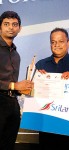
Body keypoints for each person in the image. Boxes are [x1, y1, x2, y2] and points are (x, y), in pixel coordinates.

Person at [0, 11, 34, 150]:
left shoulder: (16, 55)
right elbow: (12, 84)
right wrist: (14, 85)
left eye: (15, 24)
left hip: (13, 104)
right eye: (6, 24)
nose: (11, 28)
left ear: (19, 29)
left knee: (8, 145)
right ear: (0, 27)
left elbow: (12, 85)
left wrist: (20, 89)